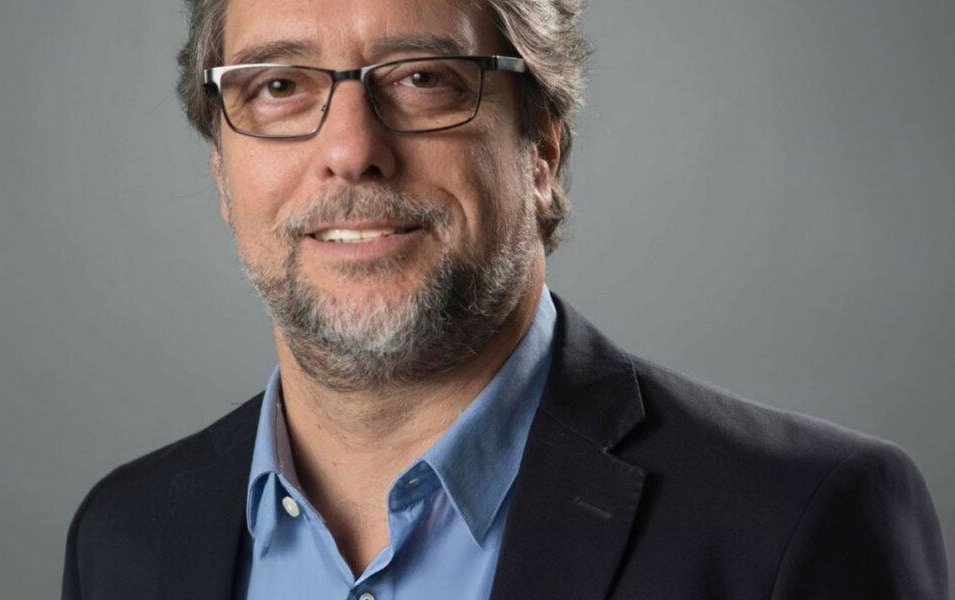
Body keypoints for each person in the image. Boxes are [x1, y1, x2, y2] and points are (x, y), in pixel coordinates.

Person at [61, 0, 949, 598]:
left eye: (422, 77)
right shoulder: (124, 537)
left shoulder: (797, 522)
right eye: (280, 87)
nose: (351, 151)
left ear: (542, 150)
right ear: (223, 172)